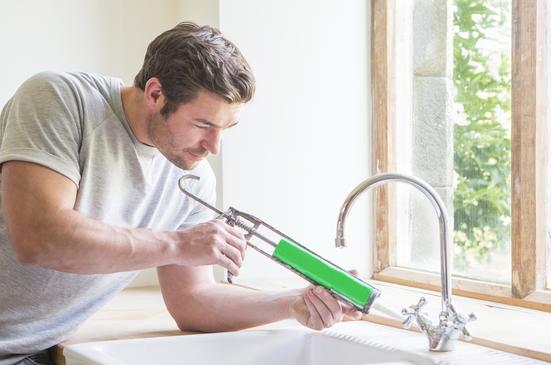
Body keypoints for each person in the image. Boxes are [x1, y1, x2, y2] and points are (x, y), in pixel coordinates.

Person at [0, 22, 361, 365]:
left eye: (227, 127)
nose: (214, 147)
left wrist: (293, 303)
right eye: (203, 124)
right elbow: (38, 237)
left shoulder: (192, 178)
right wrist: (177, 244)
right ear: (156, 94)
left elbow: (194, 302)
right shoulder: (60, 99)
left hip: (31, 351)